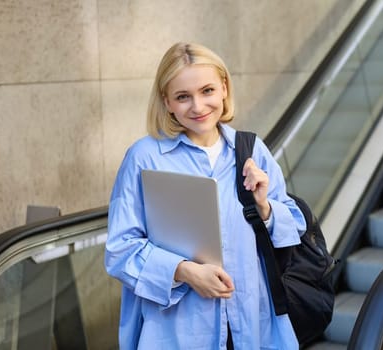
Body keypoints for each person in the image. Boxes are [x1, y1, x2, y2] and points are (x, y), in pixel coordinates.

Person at [104, 42, 307, 349]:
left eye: (207, 91)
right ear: (166, 101)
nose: (198, 107)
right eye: (183, 97)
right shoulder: (144, 158)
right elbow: (121, 250)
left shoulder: (251, 150)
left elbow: (295, 224)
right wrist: (185, 272)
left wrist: (265, 207)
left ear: (224, 88)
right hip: (177, 334)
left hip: (253, 327)